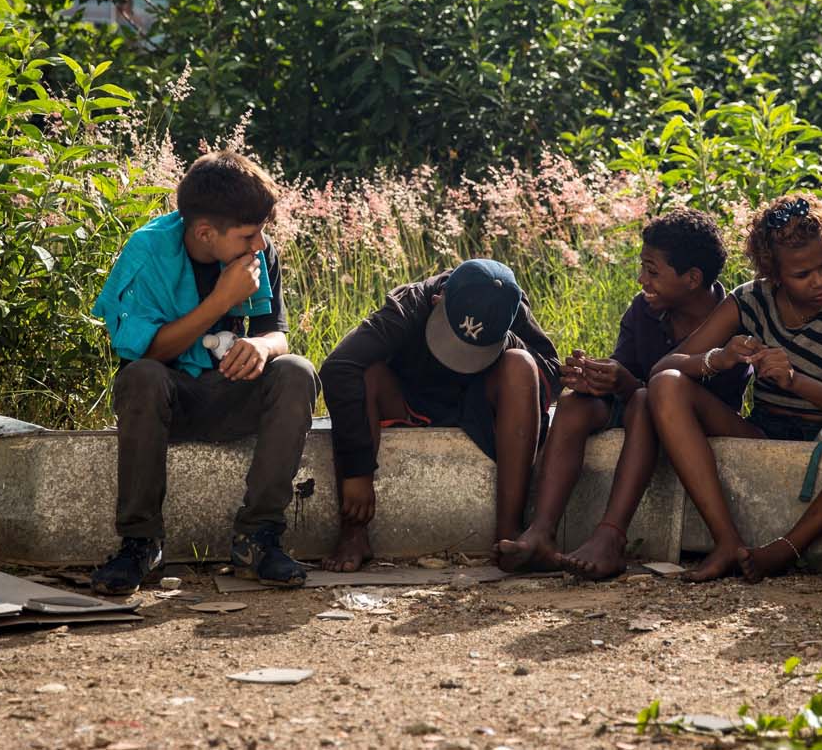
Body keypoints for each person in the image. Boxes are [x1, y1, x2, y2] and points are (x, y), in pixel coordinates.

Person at [88, 150, 317, 594]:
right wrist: (219, 301)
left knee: (295, 371)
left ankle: (258, 537)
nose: (259, 245)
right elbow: (145, 353)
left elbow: (278, 333)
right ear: (205, 232)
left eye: (262, 234)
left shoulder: (257, 251)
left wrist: (260, 346)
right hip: (167, 402)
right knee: (141, 377)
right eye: (249, 236)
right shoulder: (148, 251)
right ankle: (140, 543)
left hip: (228, 391)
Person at [648, 194, 822, 581]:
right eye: (801, 274)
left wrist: (796, 380)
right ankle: (727, 541)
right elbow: (664, 367)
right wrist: (721, 358)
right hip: (764, 430)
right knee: (666, 385)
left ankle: (790, 546)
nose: (819, 280)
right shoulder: (750, 299)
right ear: (773, 274)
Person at [496, 209, 751, 578]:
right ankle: (541, 532)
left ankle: (611, 537)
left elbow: (671, 395)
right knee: (573, 404)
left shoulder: (729, 320)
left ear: (692, 279)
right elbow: (626, 372)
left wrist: (628, 384)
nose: (641, 279)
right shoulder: (643, 310)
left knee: (647, 399)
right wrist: (597, 378)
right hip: (639, 404)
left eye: (652, 271)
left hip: (692, 422)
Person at [318, 259, 561, 573]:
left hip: (477, 406)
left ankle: (508, 533)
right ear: (439, 300)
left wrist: (509, 342)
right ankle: (353, 533)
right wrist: (357, 471)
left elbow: (552, 376)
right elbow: (339, 367)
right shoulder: (409, 305)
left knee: (521, 364)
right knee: (366, 373)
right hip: (410, 399)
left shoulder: (507, 307)